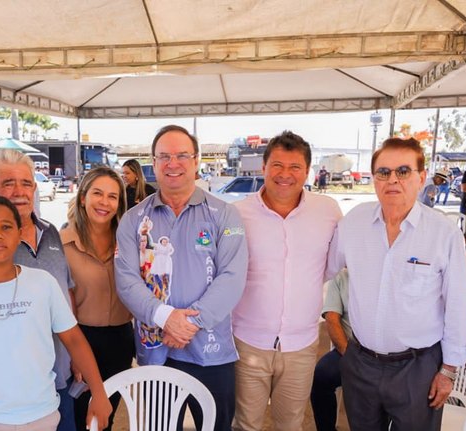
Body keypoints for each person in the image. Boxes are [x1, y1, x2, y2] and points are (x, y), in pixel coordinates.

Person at [327, 137, 466, 431]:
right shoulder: (353, 223)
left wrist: (449, 370)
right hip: (361, 363)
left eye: (403, 171)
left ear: (422, 177)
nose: (392, 179)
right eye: (384, 172)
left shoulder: (444, 234)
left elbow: (458, 305)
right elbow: (327, 269)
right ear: (374, 178)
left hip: (417, 368)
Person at [0, 196, 110, 431]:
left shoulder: (43, 283)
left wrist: (99, 393)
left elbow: (74, 339)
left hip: (42, 415)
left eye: (6, 227)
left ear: (19, 234)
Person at [115, 125, 248, 431]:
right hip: (157, 351)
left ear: (196, 161)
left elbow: (232, 276)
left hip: (211, 352)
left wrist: (187, 323)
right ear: (153, 161)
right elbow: (126, 280)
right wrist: (165, 317)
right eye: (164, 156)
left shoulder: (224, 214)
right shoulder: (133, 220)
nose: (172, 163)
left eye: (181, 155)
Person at [231, 131, 342, 431]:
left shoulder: (328, 211)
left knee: (291, 424)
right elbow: (220, 267)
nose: (285, 175)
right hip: (246, 343)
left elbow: (335, 266)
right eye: (277, 165)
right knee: (245, 425)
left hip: (301, 344)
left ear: (307, 171)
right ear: (263, 167)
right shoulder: (236, 215)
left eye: (295, 167)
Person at [0, 149, 78, 431]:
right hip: (15, 390)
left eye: (26, 183)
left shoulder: (50, 233)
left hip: (60, 377)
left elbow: (67, 295)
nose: (19, 191)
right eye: (8, 183)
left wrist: (76, 358)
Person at [59, 168, 134, 431]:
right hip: (79, 339)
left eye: (112, 197)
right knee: (80, 419)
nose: (105, 202)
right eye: (98, 194)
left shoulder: (130, 241)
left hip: (121, 340)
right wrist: (72, 354)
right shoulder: (62, 243)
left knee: (105, 418)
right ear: (82, 197)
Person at [310, 269, 351, 431]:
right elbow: (331, 318)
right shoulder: (342, 276)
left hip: (383, 355)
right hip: (348, 349)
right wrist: (349, 356)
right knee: (321, 376)